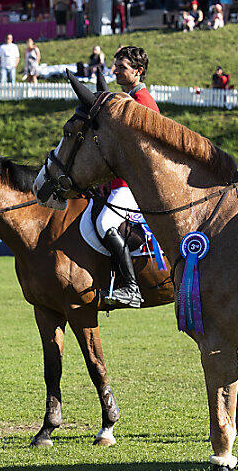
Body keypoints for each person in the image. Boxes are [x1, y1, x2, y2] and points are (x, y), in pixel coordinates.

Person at [98, 45, 161, 308]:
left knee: (105, 224)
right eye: (115, 66)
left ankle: (131, 288)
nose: (115, 71)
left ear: (139, 71)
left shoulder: (143, 105)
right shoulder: (128, 100)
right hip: (119, 181)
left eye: (122, 67)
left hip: (132, 185)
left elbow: (143, 153)